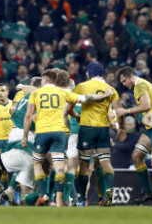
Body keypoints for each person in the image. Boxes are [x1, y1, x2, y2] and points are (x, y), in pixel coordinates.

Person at [22, 69, 112, 207]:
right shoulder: (64, 93)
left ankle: (44, 194)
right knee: (59, 166)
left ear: (45, 80)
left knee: (37, 163)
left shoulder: (36, 93)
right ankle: (59, 200)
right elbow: (84, 98)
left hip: (42, 132)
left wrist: (25, 136)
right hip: (61, 133)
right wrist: (103, 95)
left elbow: (28, 115)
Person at [72, 61, 120, 206]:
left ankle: (81, 199)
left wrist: (75, 116)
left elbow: (69, 102)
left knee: (84, 166)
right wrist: (117, 124)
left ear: (88, 73)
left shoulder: (82, 86)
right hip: (103, 129)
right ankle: (109, 191)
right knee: (105, 163)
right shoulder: (110, 88)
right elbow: (117, 110)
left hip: (87, 128)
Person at [115, 66, 152, 204]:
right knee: (137, 156)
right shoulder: (144, 84)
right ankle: (148, 192)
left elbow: (146, 105)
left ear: (130, 76)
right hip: (151, 126)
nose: (124, 84)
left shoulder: (139, 85)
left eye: (124, 81)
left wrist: (126, 111)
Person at [9, 77, 41, 143]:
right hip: (27, 133)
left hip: (14, 131)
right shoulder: (40, 96)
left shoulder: (25, 96)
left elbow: (12, 109)